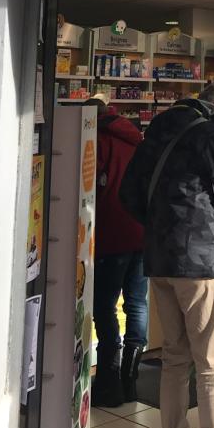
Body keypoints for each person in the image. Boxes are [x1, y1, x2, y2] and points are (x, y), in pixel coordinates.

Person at [120, 83, 214, 428]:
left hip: (159, 260)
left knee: (174, 358)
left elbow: (128, 193)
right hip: (198, 263)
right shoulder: (210, 133)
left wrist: (159, 228)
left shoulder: (155, 131)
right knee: (212, 362)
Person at [90, 101, 148, 408]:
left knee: (104, 306)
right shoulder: (136, 138)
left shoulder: (96, 139)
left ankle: (109, 382)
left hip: (111, 233)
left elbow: (88, 186)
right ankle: (130, 379)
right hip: (141, 232)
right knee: (137, 304)